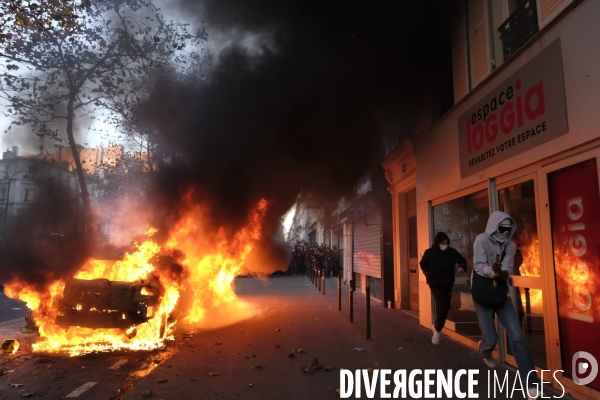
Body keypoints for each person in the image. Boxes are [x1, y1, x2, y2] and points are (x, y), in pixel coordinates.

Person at [472, 211, 540, 399]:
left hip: (501, 295)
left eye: (508, 229)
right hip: (482, 294)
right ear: (494, 225)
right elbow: (478, 265)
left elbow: (508, 269)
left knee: (517, 335)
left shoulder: (510, 245)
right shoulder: (481, 240)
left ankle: (530, 383)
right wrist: (492, 272)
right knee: (491, 339)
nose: (505, 232)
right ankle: (484, 349)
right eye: (502, 228)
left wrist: (503, 274)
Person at [419, 232, 467, 345]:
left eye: (446, 243)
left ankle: (436, 327)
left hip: (447, 283)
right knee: (442, 304)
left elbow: (462, 260)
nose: (444, 245)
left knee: (445, 307)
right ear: (437, 243)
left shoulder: (451, 252)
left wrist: (461, 267)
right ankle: (438, 330)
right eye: (442, 243)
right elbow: (423, 264)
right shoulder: (429, 253)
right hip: (435, 283)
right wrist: (430, 276)